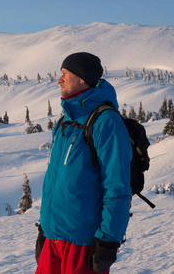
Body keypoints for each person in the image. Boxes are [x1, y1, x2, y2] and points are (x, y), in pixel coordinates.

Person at [36, 52, 132, 274]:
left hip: (83, 242)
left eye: (64, 74)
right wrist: (44, 229)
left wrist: (108, 241)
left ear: (82, 78)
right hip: (53, 239)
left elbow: (117, 188)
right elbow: (55, 181)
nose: (59, 80)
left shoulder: (106, 121)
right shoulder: (65, 120)